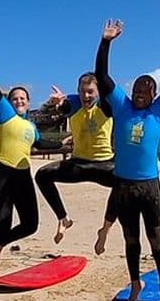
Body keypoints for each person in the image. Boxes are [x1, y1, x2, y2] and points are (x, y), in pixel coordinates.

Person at [94, 18, 160, 301]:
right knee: (131, 239)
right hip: (123, 185)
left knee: (156, 238)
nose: (140, 93)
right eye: (137, 88)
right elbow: (101, 75)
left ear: (153, 95)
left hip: (149, 186)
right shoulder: (121, 106)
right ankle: (135, 282)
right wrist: (106, 42)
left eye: (146, 90)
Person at [0, 35, 63, 269]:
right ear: (10, 102)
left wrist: (67, 142)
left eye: (23, 98)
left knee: (31, 224)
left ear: (28, 101)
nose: (19, 101)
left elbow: (42, 144)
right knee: (3, 223)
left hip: (23, 177)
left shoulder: (31, 126)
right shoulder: (5, 114)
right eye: (15, 98)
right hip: (3, 174)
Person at [35, 74, 119, 250]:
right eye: (82, 91)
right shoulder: (73, 103)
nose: (86, 96)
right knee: (42, 175)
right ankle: (63, 219)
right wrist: (52, 105)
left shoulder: (106, 104)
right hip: (78, 163)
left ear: (98, 92)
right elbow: (43, 121)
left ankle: (105, 229)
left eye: (90, 92)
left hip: (103, 164)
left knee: (125, 182)